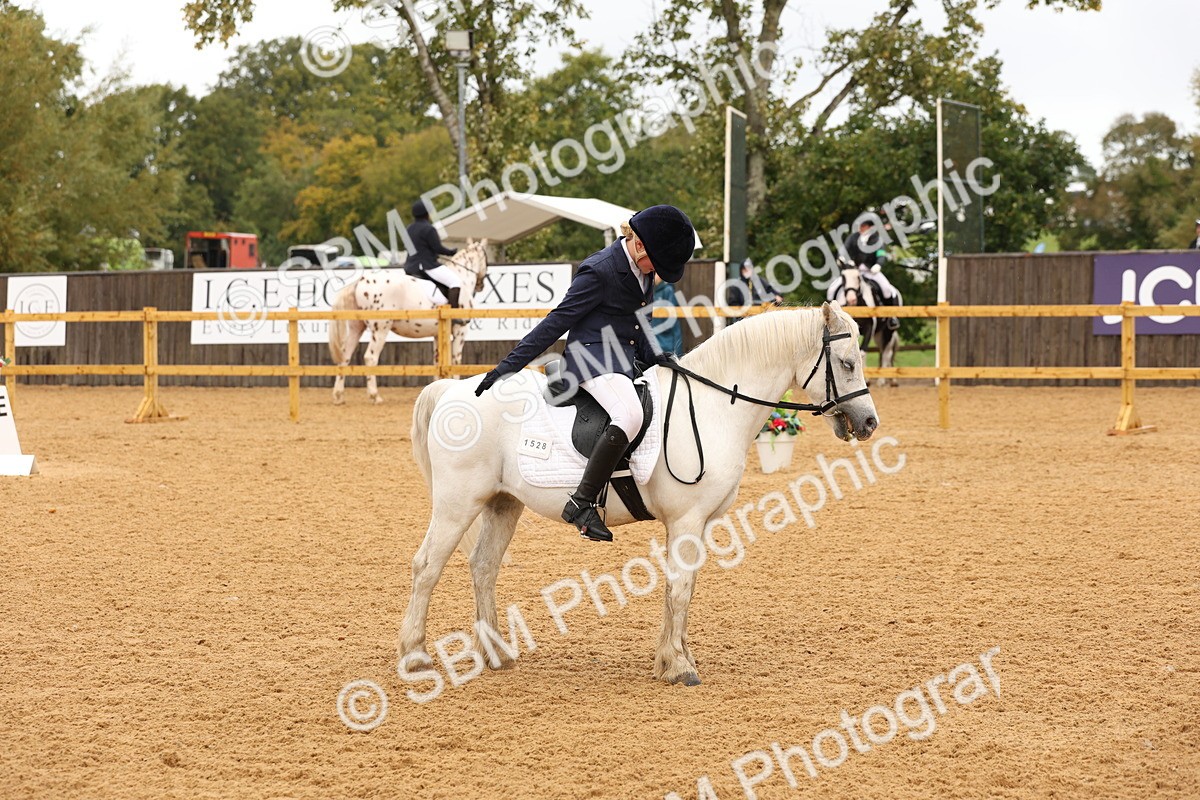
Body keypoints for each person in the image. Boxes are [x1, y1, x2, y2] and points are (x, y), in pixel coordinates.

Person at [475, 205, 697, 543]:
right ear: (640, 245)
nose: (661, 273)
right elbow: (556, 322)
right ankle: (582, 501)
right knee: (630, 414)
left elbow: (640, 323)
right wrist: (507, 366)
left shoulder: (644, 271)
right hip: (590, 358)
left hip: (622, 359)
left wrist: (659, 358)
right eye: (659, 263)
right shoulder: (599, 271)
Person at [836, 219, 901, 329]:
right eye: (860, 225)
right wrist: (841, 257)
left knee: (887, 289)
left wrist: (878, 264)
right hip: (853, 271)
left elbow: (881, 254)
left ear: (870, 227)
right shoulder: (853, 237)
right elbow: (844, 249)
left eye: (864, 226)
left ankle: (892, 317)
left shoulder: (876, 239)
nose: (860, 228)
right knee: (833, 288)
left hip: (871, 271)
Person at [404, 200, 462, 307]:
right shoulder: (429, 229)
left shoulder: (408, 229)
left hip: (409, 266)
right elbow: (437, 248)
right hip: (426, 266)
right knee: (455, 281)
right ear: (427, 214)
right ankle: (454, 315)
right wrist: (451, 252)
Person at [725, 258, 783, 322]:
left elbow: (772, 292)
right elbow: (733, 303)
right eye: (745, 269)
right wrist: (743, 312)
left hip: (761, 318)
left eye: (749, 269)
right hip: (743, 320)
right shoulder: (737, 285)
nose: (747, 271)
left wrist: (776, 296)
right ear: (741, 270)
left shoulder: (760, 282)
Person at [652, 274, 684, 357]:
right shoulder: (651, 291)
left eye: (656, 274)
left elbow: (674, 323)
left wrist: (678, 352)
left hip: (667, 346)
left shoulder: (668, 290)